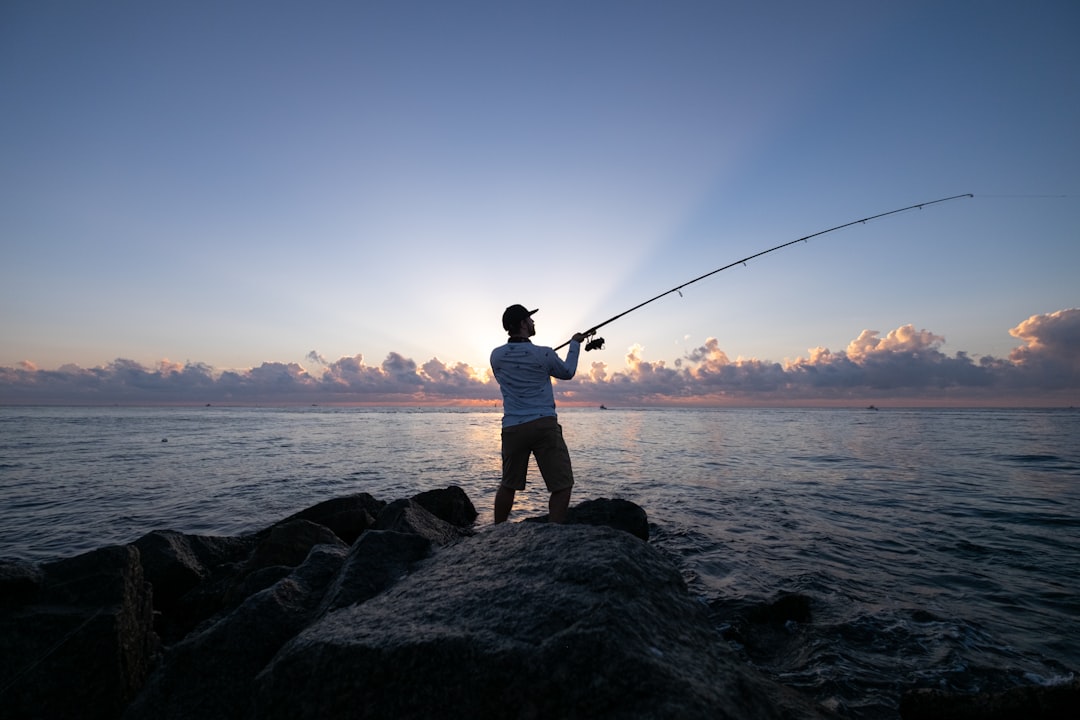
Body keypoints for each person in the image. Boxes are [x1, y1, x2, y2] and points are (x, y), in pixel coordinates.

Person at [490, 304, 586, 524]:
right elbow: (567, 372)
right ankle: (554, 533)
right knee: (562, 485)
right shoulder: (544, 353)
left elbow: (520, 363)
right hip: (544, 425)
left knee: (508, 483)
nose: (534, 323)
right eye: (530, 320)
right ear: (523, 323)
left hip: (513, 428)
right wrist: (574, 344)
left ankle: (497, 531)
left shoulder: (496, 356)